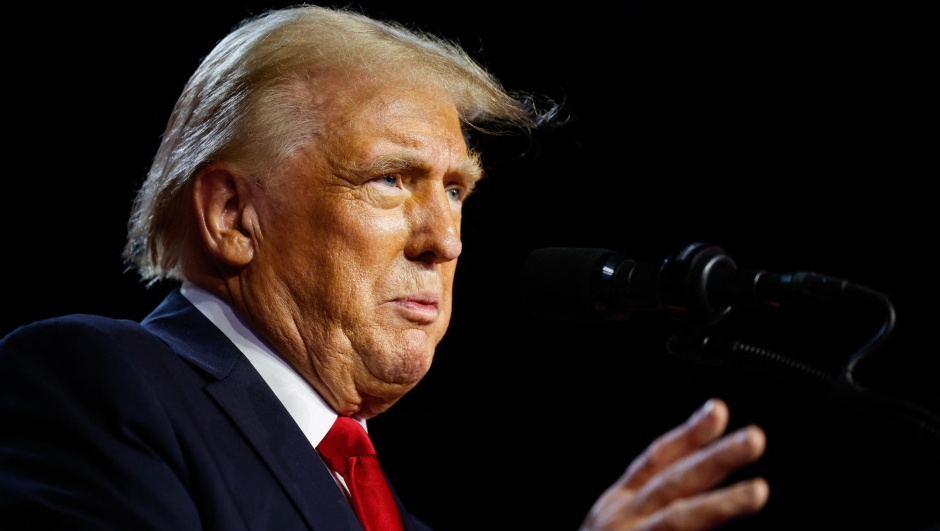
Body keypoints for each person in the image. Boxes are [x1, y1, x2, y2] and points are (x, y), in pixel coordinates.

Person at [0, 6, 768, 530]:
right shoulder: (99, 383)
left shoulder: (391, 511)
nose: (446, 240)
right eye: (390, 179)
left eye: (457, 188)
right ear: (233, 215)